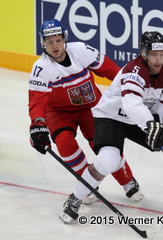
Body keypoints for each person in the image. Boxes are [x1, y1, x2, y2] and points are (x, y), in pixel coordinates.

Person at [59, 31, 163, 223]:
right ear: (144, 54)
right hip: (111, 117)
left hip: (141, 118)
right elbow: (131, 104)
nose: (158, 59)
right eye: (153, 55)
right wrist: (150, 126)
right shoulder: (134, 70)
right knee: (109, 159)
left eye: (162, 54)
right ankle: (75, 198)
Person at [28, 19, 144, 206]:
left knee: (106, 146)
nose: (55, 46)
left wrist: (130, 88)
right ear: (43, 43)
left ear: (64, 39)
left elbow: (111, 70)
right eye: (49, 42)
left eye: (58, 40)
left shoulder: (81, 50)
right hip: (58, 112)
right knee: (65, 143)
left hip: (92, 107)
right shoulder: (40, 69)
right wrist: (37, 125)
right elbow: (36, 103)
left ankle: (127, 181)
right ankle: (87, 184)